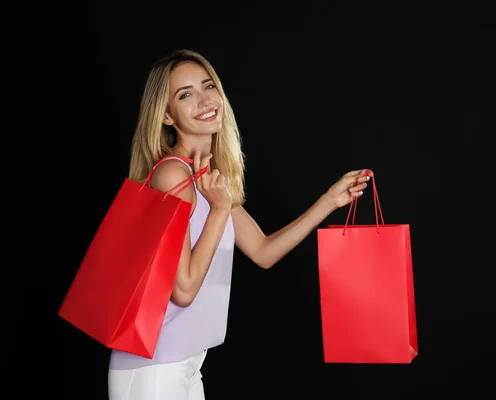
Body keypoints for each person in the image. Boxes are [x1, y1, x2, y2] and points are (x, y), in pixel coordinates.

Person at [107, 48, 373, 400]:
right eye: (185, 94)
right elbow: (183, 290)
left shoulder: (206, 178)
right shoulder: (173, 175)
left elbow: (263, 251)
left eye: (208, 86)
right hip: (153, 369)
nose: (205, 100)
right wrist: (218, 210)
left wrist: (330, 201)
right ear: (167, 116)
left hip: (184, 364)